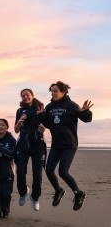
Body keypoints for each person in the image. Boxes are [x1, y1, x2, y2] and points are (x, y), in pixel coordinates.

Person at [38, 81, 93, 211]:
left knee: (63, 172)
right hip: (56, 144)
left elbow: (86, 119)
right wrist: (42, 116)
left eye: (55, 90)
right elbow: (49, 124)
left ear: (63, 92)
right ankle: (58, 190)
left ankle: (79, 194)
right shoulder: (50, 107)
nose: (53, 93)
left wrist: (86, 111)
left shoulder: (71, 105)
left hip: (70, 144)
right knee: (49, 169)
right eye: (51, 91)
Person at [14, 89, 46, 211]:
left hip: (37, 144)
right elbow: (16, 130)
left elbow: (46, 124)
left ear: (32, 95)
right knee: (21, 171)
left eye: (27, 95)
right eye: (23, 96)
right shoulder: (19, 110)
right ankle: (23, 192)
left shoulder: (40, 107)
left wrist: (44, 128)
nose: (25, 97)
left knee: (37, 174)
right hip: (23, 143)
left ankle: (35, 197)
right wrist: (19, 122)